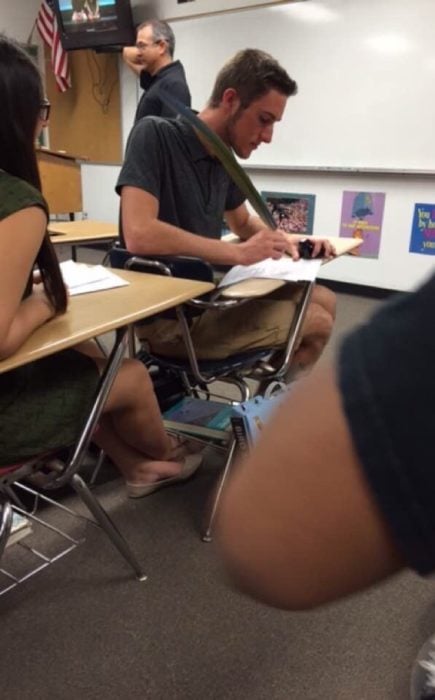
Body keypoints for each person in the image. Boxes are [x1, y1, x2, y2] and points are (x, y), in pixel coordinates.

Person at [0, 35, 201, 498]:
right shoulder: (17, 202)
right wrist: (46, 300)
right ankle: (169, 453)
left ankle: (135, 467)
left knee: (86, 351)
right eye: (42, 107)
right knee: (127, 375)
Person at [216, 270, 435, 613]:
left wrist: (267, 242)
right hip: (193, 303)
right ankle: (280, 388)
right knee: (316, 315)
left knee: (321, 302)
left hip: (215, 290)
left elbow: (267, 545)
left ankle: (278, 389)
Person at [116, 48, 337, 375]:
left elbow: (243, 222)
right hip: (169, 322)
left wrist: (295, 241)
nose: (268, 137)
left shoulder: (224, 159)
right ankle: (268, 408)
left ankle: (263, 404)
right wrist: (238, 254)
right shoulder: (154, 135)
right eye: (264, 120)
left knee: (325, 299)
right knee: (316, 320)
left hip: (205, 301)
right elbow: (139, 234)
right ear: (231, 99)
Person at [122, 19, 191, 124]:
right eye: (137, 47)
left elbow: (172, 136)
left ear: (161, 47)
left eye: (142, 46)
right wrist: (139, 50)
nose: (138, 52)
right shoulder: (155, 79)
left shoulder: (173, 85)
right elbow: (126, 54)